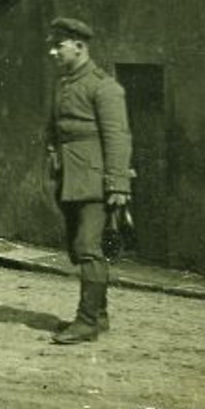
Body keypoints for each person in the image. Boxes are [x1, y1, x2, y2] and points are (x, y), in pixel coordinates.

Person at [44, 17, 133, 345]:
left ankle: (86, 322)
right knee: (75, 248)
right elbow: (53, 127)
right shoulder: (64, 84)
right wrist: (52, 150)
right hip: (69, 177)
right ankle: (99, 314)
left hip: (96, 181)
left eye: (59, 45)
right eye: (51, 45)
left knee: (87, 247)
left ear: (80, 47)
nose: (52, 51)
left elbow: (117, 136)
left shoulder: (104, 86)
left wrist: (118, 183)